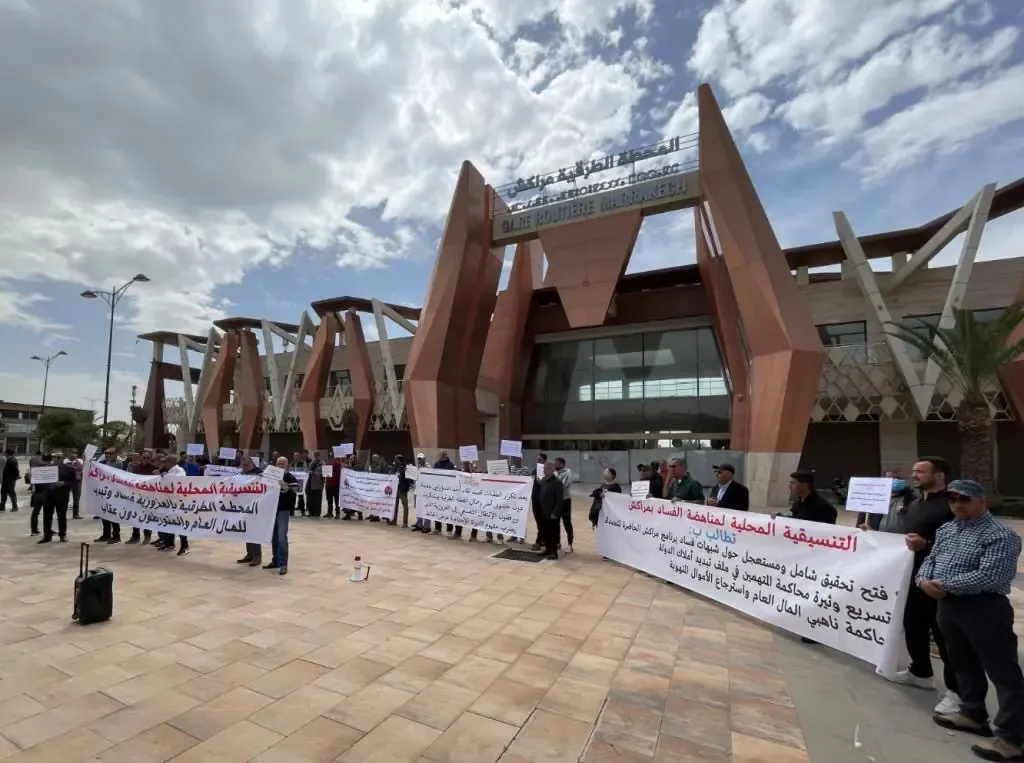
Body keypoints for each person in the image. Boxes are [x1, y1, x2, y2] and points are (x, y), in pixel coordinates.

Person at [917, 480, 1024, 761]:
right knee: (961, 661)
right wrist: (923, 580)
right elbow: (931, 559)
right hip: (949, 606)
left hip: (984, 608)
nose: (958, 505)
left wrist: (944, 584)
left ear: (981, 501)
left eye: (964, 499)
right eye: (953, 500)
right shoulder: (948, 529)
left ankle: (1013, 738)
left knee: (1003, 672)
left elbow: (993, 576)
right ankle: (973, 713)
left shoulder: (1000, 535)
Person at [889, 458, 961, 716]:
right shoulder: (916, 503)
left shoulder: (952, 505)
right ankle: (920, 671)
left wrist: (927, 545)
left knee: (944, 636)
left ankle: (957, 692)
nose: (914, 475)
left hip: (939, 581)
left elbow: (960, 544)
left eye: (920, 471)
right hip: (913, 577)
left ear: (939, 475)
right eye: (913, 471)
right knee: (913, 625)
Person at [265, 457, 299, 576]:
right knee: (273, 537)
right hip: (272, 511)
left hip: (283, 511)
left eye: (282, 464)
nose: (280, 466)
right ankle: (275, 561)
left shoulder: (290, 478)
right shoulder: (271, 477)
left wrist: (287, 489)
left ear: (287, 465)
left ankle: (283, 564)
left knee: (281, 537)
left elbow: (294, 494)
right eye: (278, 464)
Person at [154, 453, 190, 556]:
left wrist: (164, 475)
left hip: (178, 502)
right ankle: (169, 543)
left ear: (171, 462)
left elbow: (178, 479)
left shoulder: (179, 470)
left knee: (180, 524)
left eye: (165, 461)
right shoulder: (167, 472)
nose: (163, 463)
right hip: (168, 502)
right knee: (169, 523)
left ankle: (185, 546)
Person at [124, 450, 158, 545]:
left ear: (151, 458)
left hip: (148, 497)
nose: (146, 459)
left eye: (148, 457)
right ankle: (135, 536)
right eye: (144, 457)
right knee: (135, 516)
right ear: (141, 458)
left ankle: (147, 536)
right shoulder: (136, 468)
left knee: (146, 517)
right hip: (136, 496)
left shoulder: (154, 468)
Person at [236, 455, 264, 567]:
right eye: (243, 465)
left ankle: (257, 556)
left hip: (256, 506)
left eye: (246, 465)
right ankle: (249, 554)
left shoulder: (259, 473)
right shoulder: (242, 473)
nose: (244, 467)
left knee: (255, 532)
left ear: (251, 463)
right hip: (245, 506)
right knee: (247, 531)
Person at [537, 462, 563, 560]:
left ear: (552, 470)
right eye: (544, 468)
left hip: (552, 512)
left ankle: (553, 552)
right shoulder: (543, 480)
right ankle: (547, 549)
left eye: (547, 469)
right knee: (545, 532)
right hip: (543, 511)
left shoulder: (557, 482)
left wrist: (555, 512)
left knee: (553, 533)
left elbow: (559, 499)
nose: (544, 470)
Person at [506, 456, 532, 543]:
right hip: (513, 497)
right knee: (512, 517)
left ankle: (521, 536)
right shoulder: (511, 469)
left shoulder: (525, 470)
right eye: (513, 459)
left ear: (521, 460)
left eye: (516, 459)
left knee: (521, 517)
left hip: (522, 497)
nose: (515, 461)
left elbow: (527, 482)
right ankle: (513, 535)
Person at [431, 450, 456, 534]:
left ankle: (449, 530)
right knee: (437, 510)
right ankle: (438, 528)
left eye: (445, 454)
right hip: (438, 491)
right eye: (442, 454)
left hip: (447, 492)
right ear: (439, 455)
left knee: (448, 511)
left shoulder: (450, 464)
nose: (444, 455)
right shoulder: (436, 464)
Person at [553, 457, 574, 553]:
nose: (555, 465)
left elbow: (563, 485)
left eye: (556, 463)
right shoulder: (555, 473)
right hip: (555, 501)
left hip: (565, 501)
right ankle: (557, 542)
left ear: (562, 464)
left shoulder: (567, 473)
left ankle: (570, 544)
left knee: (567, 523)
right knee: (555, 522)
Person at [530, 453, 549, 548]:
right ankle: (543, 539)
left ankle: (539, 541)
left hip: (543, 501)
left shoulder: (547, 472)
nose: (538, 461)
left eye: (540, 460)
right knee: (538, 521)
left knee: (542, 521)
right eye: (537, 459)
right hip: (535, 499)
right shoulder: (534, 471)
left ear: (545, 461)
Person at [392, 455, 411, 527]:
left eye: (396, 460)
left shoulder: (406, 467)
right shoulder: (395, 466)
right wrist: (394, 466)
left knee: (405, 505)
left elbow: (408, 478)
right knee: (394, 505)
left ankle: (405, 523)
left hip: (402, 488)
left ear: (400, 460)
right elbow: (391, 472)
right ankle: (394, 520)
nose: (395, 461)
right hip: (395, 488)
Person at [305, 451, 324, 518]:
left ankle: (317, 513)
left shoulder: (322, 464)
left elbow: (323, 474)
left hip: (318, 484)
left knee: (317, 500)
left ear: (319, 456)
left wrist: (313, 473)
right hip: (310, 483)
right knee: (310, 499)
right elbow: (307, 470)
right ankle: (311, 512)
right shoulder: (311, 463)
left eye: (317, 455)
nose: (316, 456)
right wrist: (308, 472)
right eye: (315, 455)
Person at [68, 448, 84, 519]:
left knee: (76, 498)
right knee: (64, 498)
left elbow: (80, 467)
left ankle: (75, 514)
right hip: (68, 480)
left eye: (75, 453)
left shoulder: (79, 460)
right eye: (72, 452)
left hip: (77, 481)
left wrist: (75, 460)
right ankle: (61, 514)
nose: (73, 454)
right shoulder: (66, 460)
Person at [325, 454, 342, 519]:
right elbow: (326, 474)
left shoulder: (338, 464)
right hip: (328, 484)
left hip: (335, 485)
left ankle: (337, 513)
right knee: (329, 500)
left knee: (336, 500)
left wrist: (330, 474)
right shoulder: (328, 464)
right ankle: (330, 513)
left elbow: (337, 474)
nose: (331, 458)